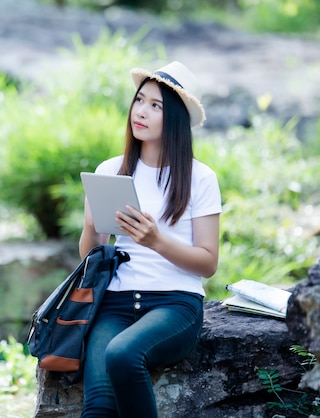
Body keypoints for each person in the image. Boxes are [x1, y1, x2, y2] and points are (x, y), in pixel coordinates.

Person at [78, 60, 222, 417]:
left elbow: (208, 263)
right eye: (139, 100)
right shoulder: (111, 170)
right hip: (114, 302)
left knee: (123, 353)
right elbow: (91, 257)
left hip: (175, 304)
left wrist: (156, 241)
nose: (140, 111)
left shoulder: (200, 178)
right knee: (97, 405)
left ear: (173, 117)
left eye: (155, 106)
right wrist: (91, 228)